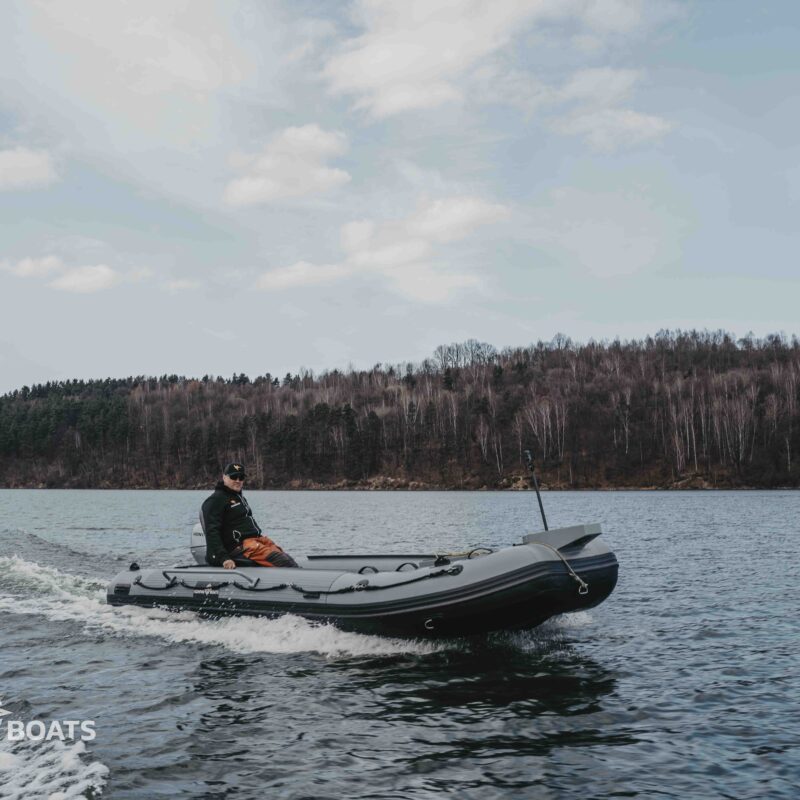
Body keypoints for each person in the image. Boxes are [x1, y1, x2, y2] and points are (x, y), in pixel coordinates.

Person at [200, 463, 298, 569]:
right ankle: (298, 578)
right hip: (239, 547)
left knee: (287, 558)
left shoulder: (238, 497)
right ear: (224, 477)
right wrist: (224, 558)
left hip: (255, 541)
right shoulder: (216, 500)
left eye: (241, 477)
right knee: (283, 562)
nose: (238, 480)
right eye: (233, 477)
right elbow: (211, 531)